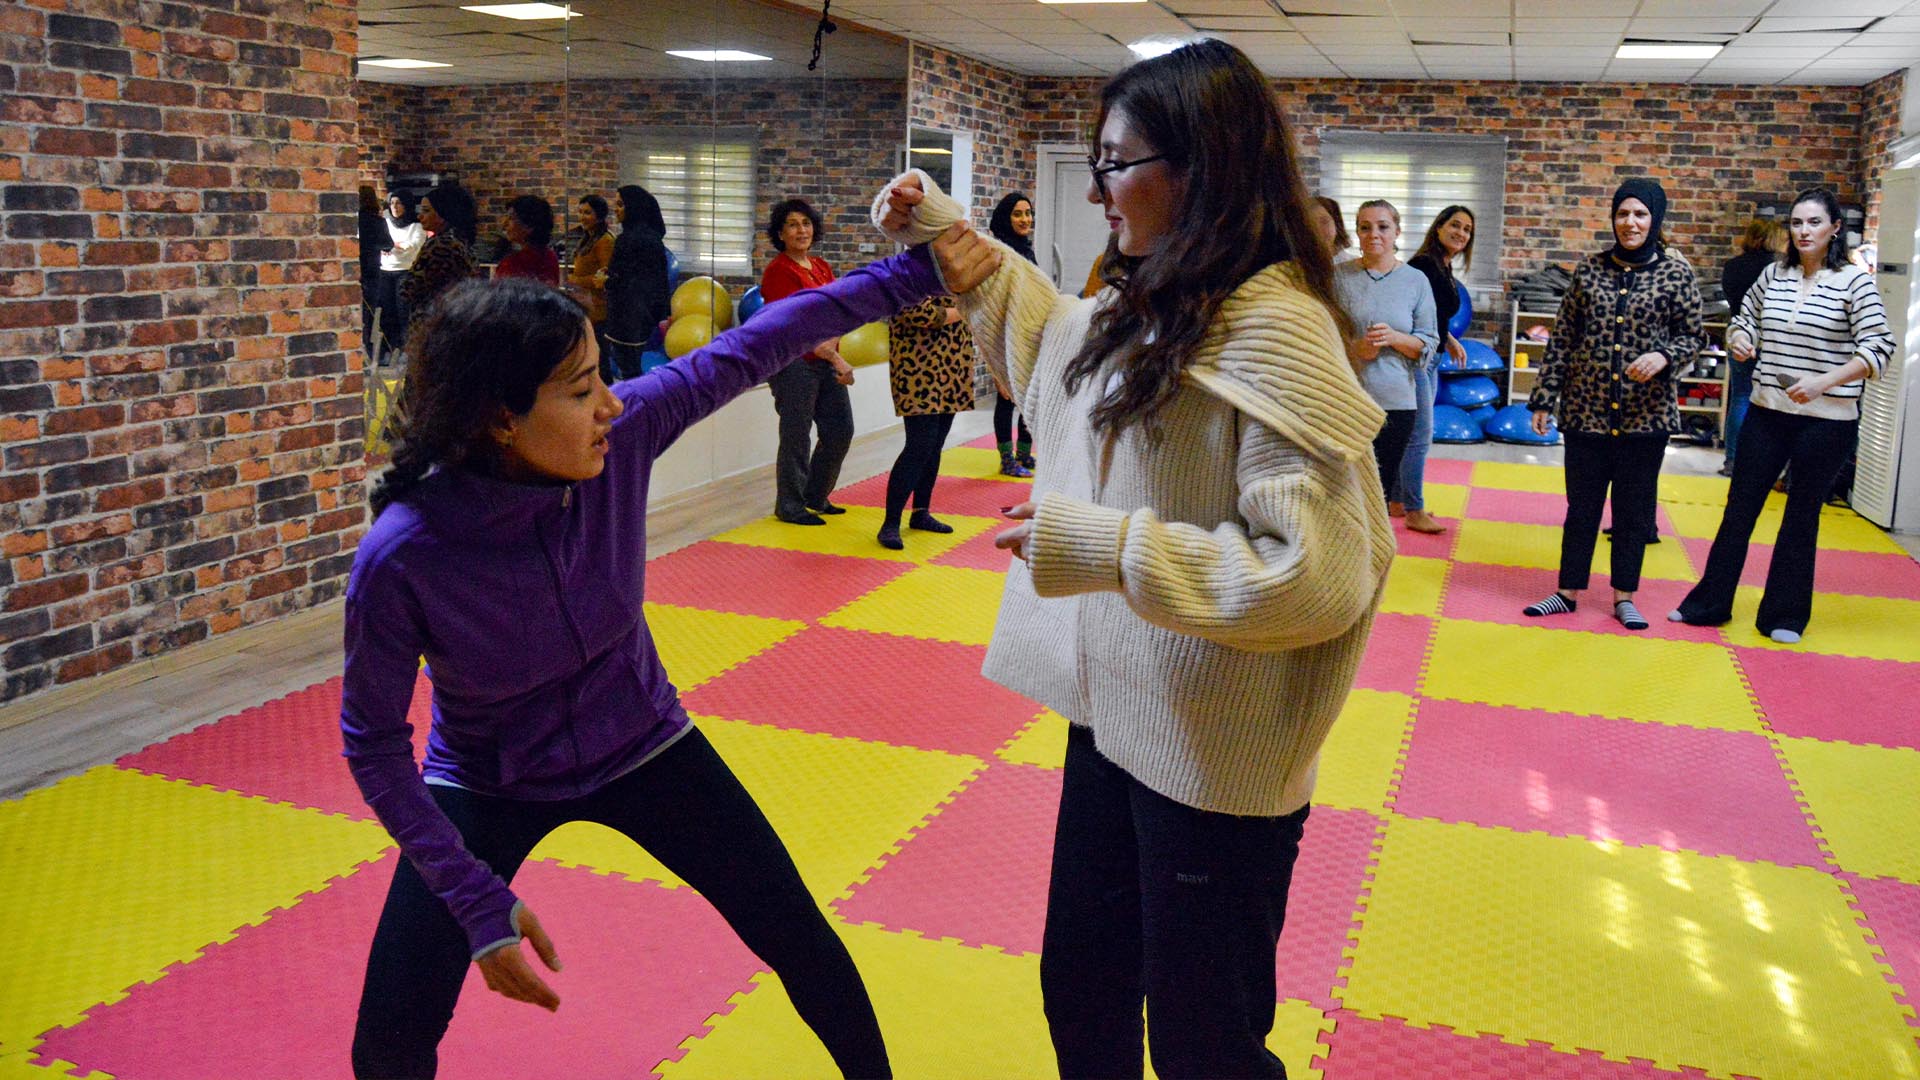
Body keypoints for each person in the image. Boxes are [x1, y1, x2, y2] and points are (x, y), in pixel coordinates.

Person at [878, 38, 1393, 1079]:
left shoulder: (1275, 327)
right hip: (1117, 714)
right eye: (1101, 161)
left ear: (1198, 170)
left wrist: (1110, 547)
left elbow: (1319, 575)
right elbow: (1050, 347)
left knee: (1207, 1043)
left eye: (1120, 163)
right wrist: (946, 232)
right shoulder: (1152, 301)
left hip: (1214, 754)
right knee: (1083, 987)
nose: (1102, 189)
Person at [340, 246, 956, 1077]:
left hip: (643, 743)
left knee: (800, 937)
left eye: (604, 377)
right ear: (500, 418)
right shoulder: (404, 555)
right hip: (488, 777)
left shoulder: (622, 440)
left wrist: (920, 271)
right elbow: (375, 747)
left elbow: (754, 344)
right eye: (581, 389)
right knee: (388, 1035)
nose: (610, 407)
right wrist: (474, 896)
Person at [1669, 187, 1894, 643]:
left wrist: (1824, 381)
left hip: (1828, 420)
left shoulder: (1855, 282)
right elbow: (1743, 318)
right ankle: (1709, 603)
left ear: (1835, 228)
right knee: (1739, 509)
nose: (1803, 231)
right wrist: (1739, 339)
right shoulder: (1774, 274)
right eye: (1796, 223)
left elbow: (1879, 348)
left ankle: (1784, 616)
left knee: (1801, 514)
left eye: (1814, 222)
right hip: (1768, 411)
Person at [1523, 178, 1703, 632]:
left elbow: (1694, 336)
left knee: (1632, 510)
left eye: (1641, 214)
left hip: (1647, 417)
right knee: (1580, 507)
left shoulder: (1676, 273)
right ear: (1613, 218)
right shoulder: (1588, 270)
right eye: (1623, 213)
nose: (1631, 222)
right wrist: (1544, 398)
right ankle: (1567, 591)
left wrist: (1664, 357)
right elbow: (1563, 337)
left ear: (1655, 219)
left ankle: (1625, 596)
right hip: (1586, 412)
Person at [1335, 200, 1439, 514]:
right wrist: (1356, 348)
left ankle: (1374, 561)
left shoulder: (1415, 280)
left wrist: (1395, 338)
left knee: (1378, 497)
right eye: (1365, 227)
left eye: (1382, 226)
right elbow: (1322, 333)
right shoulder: (1337, 277)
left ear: (1397, 231)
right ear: (1356, 233)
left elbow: (1428, 341)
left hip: (1397, 401)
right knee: (1344, 495)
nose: (1373, 234)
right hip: (1347, 400)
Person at [761, 197, 858, 525]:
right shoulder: (779, 272)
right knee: (796, 434)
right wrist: (835, 358)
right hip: (794, 363)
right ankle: (789, 504)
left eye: (805, 223)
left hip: (825, 360)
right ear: (781, 233)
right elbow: (795, 326)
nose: (801, 230)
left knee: (840, 429)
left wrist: (835, 356)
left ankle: (815, 494)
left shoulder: (820, 266)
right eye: (792, 224)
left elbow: (834, 313)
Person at [1399, 204, 1476, 535]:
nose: (1461, 233)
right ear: (1439, 227)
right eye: (1455, 225)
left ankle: (1397, 500)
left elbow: (1433, 314)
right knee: (1420, 435)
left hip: (1433, 356)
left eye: (1467, 230)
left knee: (1413, 433)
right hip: (1419, 358)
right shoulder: (1423, 265)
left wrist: (1450, 340)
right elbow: (1410, 314)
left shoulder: (1442, 266)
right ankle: (1414, 510)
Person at [876, 295, 974, 550]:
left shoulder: (953, 277)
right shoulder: (910, 278)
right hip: (918, 372)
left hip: (951, 367)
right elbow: (923, 315)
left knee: (934, 446)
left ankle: (921, 511)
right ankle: (890, 523)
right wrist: (962, 309)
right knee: (919, 446)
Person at [1718, 217, 1786, 476]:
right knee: (1771, 401)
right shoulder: (1777, 268)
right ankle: (1763, 463)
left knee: (1740, 397)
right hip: (1770, 338)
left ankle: (1732, 460)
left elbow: (1730, 300)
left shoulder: (1733, 266)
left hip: (1739, 334)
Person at [988, 193, 1038, 477]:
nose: (1025, 219)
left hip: (1030, 333)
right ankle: (1007, 460)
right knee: (1006, 398)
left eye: (1028, 213)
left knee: (1029, 397)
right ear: (1006, 218)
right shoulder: (999, 252)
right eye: (1018, 214)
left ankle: (1024, 454)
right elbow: (998, 300)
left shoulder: (1025, 249)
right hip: (1006, 335)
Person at [601, 184, 672, 382]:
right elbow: (660, 279)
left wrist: (605, 281)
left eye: (621, 205)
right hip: (646, 314)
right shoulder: (654, 238)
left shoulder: (626, 240)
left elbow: (619, 279)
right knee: (633, 368)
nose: (616, 209)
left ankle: (633, 408)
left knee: (629, 370)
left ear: (634, 207)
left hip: (626, 315)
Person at [402, 182, 477, 325]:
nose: (420, 216)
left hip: (434, 321)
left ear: (442, 215)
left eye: (426, 211)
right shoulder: (461, 240)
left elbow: (409, 289)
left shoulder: (440, 244)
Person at [569, 194, 615, 372]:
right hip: (586, 306)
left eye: (587, 212)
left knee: (600, 362)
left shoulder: (605, 241)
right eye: (580, 212)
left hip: (599, 310)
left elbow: (604, 277)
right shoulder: (587, 238)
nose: (582, 217)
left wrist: (575, 280)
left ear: (600, 215)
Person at [378, 192, 425, 359]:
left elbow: (411, 246)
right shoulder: (385, 223)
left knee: (404, 312)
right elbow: (379, 241)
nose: (395, 207)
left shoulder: (416, 226)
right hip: (385, 271)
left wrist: (391, 246)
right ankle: (391, 349)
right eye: (392, 203)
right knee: (387, 313)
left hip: (405, 272)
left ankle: (406, 349)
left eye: (399, 203)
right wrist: (394, 246)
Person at [492, 195, 559, 285]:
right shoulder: (551, 257)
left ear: (529, 226)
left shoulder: (511, 264)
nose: (504, 224)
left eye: (511, 218)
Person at [358, 186, 391, 358]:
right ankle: (370, 352)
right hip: (372, 269)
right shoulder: (377, 221)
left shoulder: (353, 220)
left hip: (355, 268)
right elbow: (388, 244)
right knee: (370, 314)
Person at [1311, 195, 1351, 263]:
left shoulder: (1358, 267)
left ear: (1337, 225)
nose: (1317, 229)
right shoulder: (1292, 269)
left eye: (1324, 222)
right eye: (1310, 223)